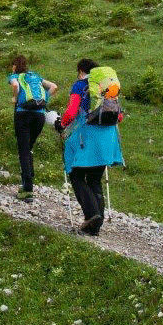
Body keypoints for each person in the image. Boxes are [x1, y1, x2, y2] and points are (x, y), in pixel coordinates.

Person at [56, 58, 124, 236]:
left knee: (77, 175)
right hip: (108, 137)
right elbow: (119, 116)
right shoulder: (106, 87)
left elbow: (71, 112)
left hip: (88, 135)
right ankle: (95, 225)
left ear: (80, 71)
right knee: (95, 178)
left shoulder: (80, 85)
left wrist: (61, 124)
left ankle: (92, 214)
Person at [8, 56, 58, 203]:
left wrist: (15, 98)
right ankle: (29, 179)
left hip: (23, 114)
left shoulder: (15, 76)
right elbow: (54, 86)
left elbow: (16, 86)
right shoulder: (35, 76)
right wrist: (44, 100)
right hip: (39, 116)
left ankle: (28, 188)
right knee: (29, 147)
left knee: (23, 149)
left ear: (15, 66)